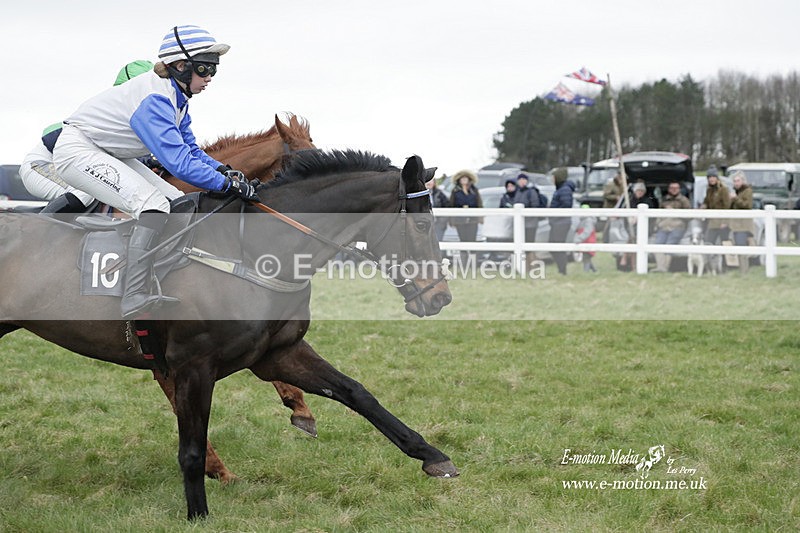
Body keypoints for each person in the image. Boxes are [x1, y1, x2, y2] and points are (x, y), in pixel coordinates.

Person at [52, 25, 259, 320]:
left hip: (108, 152)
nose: (210, 77)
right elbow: (179, 164)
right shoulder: (155, 100)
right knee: (154, 205)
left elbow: (191, 149)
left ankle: (157, 272)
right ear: (179, 66)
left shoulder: (177, 97)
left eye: (214, 69)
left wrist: (226, 171)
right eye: (204, 68)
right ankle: (133, 293)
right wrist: (226, 185)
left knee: (177, 200)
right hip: (79, 151)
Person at [19, 60, 155, 213]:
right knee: (84, 194)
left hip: (70, 167)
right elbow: (51, 136)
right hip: (41, 165)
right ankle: (39, 232)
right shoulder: (104, 115)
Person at [652, 181, 692, 272]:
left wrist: (675, 212)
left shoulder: (684, 200)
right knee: (657, 244)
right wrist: (658, 224)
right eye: (672, 188)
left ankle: (665, 267)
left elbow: (689, 215)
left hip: (677, 227)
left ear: (679, 189)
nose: (674, 190)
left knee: (669, 245)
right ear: (669, 189)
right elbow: (659, 213)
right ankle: (659, 267)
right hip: (664, 226)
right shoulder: (665, 199)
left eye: (676, 188)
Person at [448, 170, 482, 262]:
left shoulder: (474, 190)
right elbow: (451, 205)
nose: (464, 180)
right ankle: (464, 264)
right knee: (462, 240)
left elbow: (479, 203)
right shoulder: (455, 191)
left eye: (465, 178)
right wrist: (452, 220)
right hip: (460, 220)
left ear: (469, 179)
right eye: (462, 178)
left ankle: (474, 263)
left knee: (472, 241)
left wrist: (480, 217)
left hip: (472, 220)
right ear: (459, 180)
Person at [548, 167, 575, 275]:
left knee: (557, 246)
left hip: (561, 222)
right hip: (557, 222)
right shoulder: (561, 189)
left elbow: (566, 205)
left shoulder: (564, 190)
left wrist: (554, 214)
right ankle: (561, 269)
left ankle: (562, 270)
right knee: (553, 246)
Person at [699, 164, 731, 247]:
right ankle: (710, 259)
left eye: (713, 177)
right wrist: (704, 206)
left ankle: (726, 260)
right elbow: (706, 202)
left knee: (724, 243)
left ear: (717, 178)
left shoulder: (723, 189)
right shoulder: (709, 190)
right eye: (709, 177)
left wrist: (725, 222)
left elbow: (727, 206)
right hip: (712, 221)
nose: (711, 179)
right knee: (709, 242)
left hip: (722, 221)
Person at [729, 170, 754, 273]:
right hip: (735, 224)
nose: (736, 183)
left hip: (743, 225)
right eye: (734, 181)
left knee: (741, 247)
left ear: (743, 181)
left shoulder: (747, 191)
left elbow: (747, 206)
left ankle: (744, 270)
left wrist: (735, 199)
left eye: (738, 181)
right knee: (737, 246)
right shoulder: (735, 192)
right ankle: (740, 269)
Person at [573, 204, 597, 272]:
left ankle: (585, 272)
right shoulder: (583, 220)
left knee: (586, 258)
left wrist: (578, 239)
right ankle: (595, 271)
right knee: (587, 257)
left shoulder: (588, 220)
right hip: (585, 240)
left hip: (589, 241)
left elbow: (587, 232)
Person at [426, 176, 450, 242]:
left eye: (431, 180)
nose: (428, 183)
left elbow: (447, 206)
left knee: (437, 242)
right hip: (425, 224)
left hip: (438, 223)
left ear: (434, 182)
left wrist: (442, 220)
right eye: (427, 181)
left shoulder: (439, 193)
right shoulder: (419, 194)